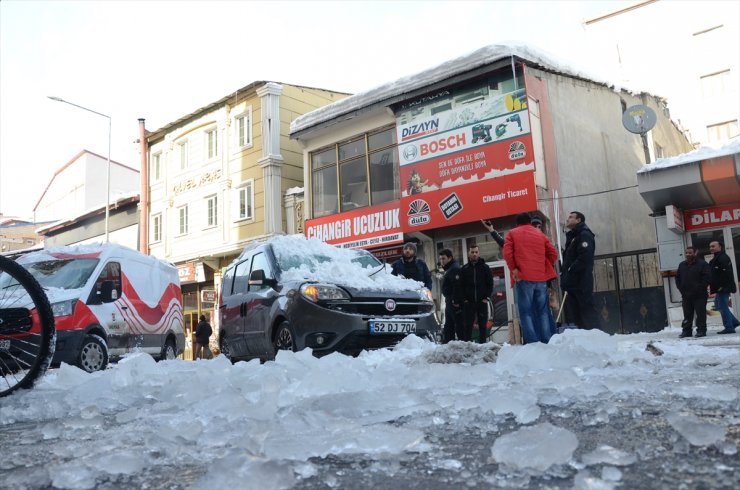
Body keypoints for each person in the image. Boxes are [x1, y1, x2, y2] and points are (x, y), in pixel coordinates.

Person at [503, 212, 558, 344]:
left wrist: (514, 269)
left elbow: (507, 253)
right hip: (541, 278)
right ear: (529, 221)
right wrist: (544, 266)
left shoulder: (512, 233)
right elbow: (553, 253)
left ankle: (532, 342)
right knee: (543, 311)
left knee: (526, 311)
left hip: (523, 278)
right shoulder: (540, 234)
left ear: (517, 223)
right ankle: (547, 340)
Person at [560, 211, 598, 329]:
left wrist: (571, 270)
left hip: (581, 281)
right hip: (573, 283)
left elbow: (584, 257)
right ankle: (585, 339)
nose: (568, 219)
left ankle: (596, 337)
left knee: (587, 311)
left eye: (571, 217)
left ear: (578, 220)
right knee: (577, 315)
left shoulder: (584, 235)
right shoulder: (573, 236)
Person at [455, 244, 493, 342]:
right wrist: (464, 299)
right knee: (467, 326)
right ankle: (468, 346)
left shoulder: (485, 268)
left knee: (483, 326)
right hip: (469, 303)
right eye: (472, 252)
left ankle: (483, 346)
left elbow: (490, 284)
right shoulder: (464, 269)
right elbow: (460, 286)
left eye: (476, 252)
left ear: (479, 253)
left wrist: (487, 297)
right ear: (469, 254)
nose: (474, 254)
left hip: (482, 302)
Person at [676, 246, 711, 338]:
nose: (688, 254)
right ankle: (686, 331)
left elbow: (707, 278)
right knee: (687, 315)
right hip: (686, 295)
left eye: (690, 253)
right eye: (686, 253)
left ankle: (701, 330)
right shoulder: (682, 265)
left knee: (700, 314)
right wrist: (681, 289)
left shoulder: (703, 264)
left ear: (695, 253)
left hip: (700, 295)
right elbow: (678, 279)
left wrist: (699, 288)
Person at [708, 241, 739, 334]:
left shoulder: (723, 257)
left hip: (723, 287)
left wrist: (724, 286)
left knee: (722, 306)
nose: (711, 248)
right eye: (710, 246)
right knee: (718, 305)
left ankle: (729, 327)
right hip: (720, 287)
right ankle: (734, 322)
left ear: (720, 247)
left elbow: (727, 273)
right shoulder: (716, 258)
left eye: (713, 246)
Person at [438, 249, 462, 343]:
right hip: (449, 302)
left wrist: (455, 301)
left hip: (454, 303)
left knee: (458, 327)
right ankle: (449, 346)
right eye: (440, 259)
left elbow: (457, 286)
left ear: (450, 258)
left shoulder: (454, 268)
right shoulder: (449, 268)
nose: (441, 261)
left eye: (443, 258)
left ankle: (462, 347)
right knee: (448, 327)